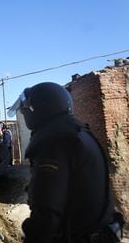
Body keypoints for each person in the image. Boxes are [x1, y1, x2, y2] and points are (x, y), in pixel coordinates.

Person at [8, 82, 124, 243]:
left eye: (26, 110)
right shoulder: (80, 133)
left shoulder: (53, 142)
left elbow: (47, 213)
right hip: (102, 234)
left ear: (38, 110)